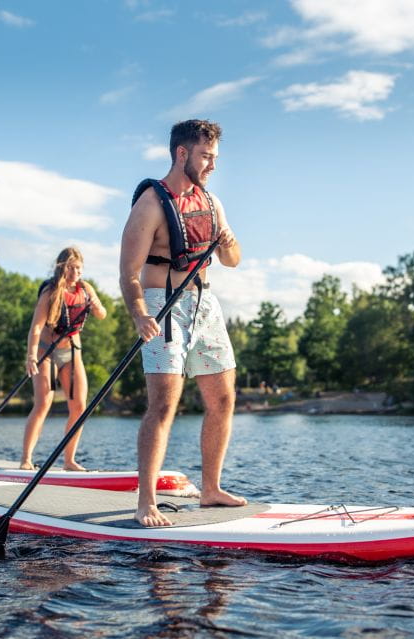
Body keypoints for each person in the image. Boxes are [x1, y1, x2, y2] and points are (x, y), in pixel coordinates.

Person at [120, 119, 245, 527]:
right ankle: (146, 502)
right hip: (163, 306)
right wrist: (140, 313)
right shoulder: (151, 204)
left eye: (214, 157)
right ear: (182, 153)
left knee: (223, 400)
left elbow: (232, 260)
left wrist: (229, 244)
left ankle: (211, 489)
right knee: (163, 405)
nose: (212, 165)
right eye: (206, 156)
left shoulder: (212, 202)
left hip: (206, 305)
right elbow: (128, 273)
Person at [20, 247, 107, 471]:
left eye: (78, 267)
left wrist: (97, 305)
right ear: (61, 268)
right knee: (43, 403)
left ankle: (69, 461)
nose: (75, 271)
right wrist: (30, 356)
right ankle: (26, 459)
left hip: (72, 351)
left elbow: (102, 314)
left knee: (79, 406)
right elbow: (36, 327)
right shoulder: (50, 292)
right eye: (70, 267)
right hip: (46, 351)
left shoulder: (86, 289)